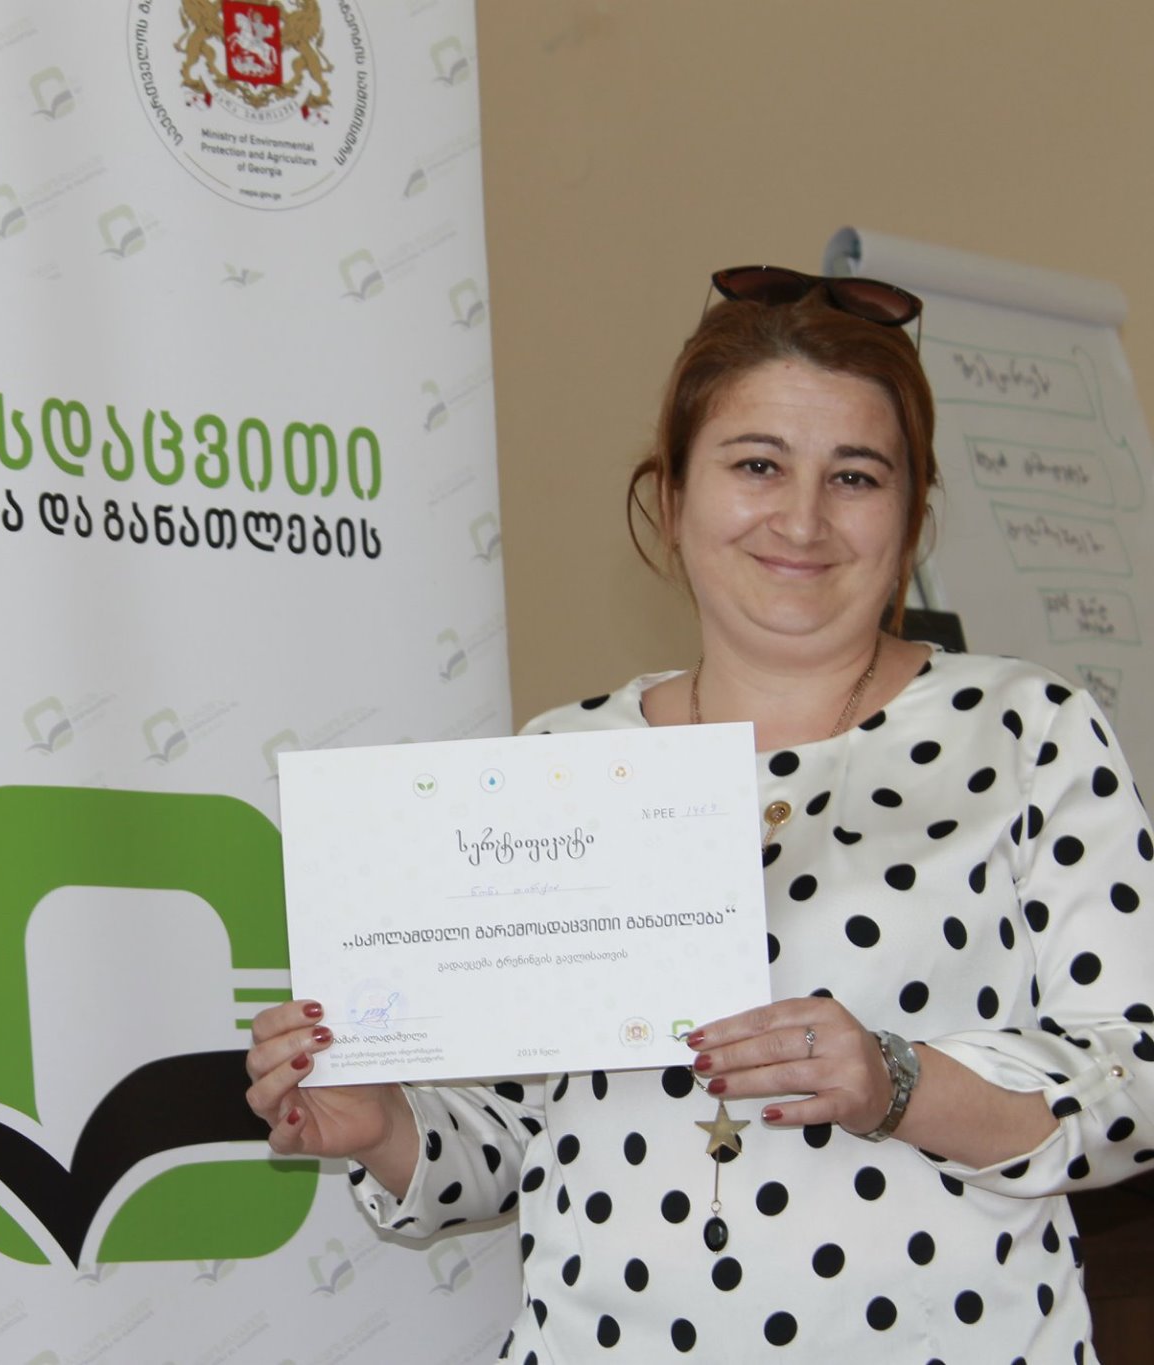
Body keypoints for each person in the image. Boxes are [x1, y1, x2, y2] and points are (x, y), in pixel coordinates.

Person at [248, 266, 1154, 1360]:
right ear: (672, 498)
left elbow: (1136, 1081)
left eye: (855, 475)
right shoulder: (559, 761)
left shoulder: (1023, 731)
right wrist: (384, 1123)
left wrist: (898, 1082)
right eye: (757, 464)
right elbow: (522, 1135)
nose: (802, 518)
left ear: (913, 515)